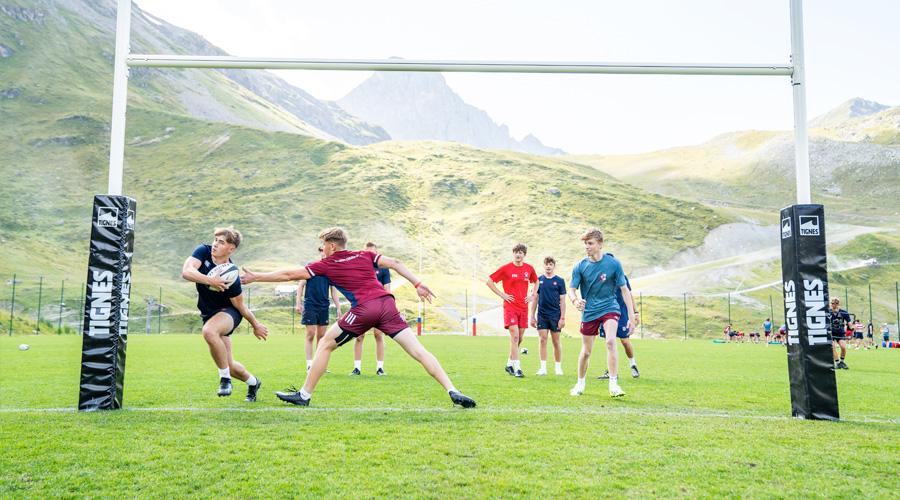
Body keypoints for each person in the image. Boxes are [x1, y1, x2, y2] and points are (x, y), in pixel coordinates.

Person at [241, 227, 475, 408]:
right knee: (419, 351)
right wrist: (418, 283)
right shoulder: (365, 254)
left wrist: (256, 277)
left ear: (332, 246)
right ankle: (452, 390)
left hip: (365, 308)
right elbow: (396, 263)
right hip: (387, 305)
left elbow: (289, 274)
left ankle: (304, 395)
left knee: (324, 345)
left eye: (323, 244)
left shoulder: (327, 263)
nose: (322, 249)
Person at [181, 226, 267, 401]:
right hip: (208, 314)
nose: (215, 245)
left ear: (231, 249)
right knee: (230, 365)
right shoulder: (203, 251)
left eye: (221, 243)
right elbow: (187, 272)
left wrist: (255, 325)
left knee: (209, 332)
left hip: (229, 313)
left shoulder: (231, 275)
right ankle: (253, 383)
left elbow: (241, 306)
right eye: (215, 240)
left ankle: (224, 379)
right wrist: (210, 280)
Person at [567, 228, 634, 398]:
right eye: (585, 244)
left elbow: (625, 290)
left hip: (610, 308)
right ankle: (580, 383)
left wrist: (632, 316)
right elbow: (571, 290)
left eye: (590, 243)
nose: (586, 247)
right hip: (590, 311)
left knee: (611, 341)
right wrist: (576, 301)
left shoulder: (614, 264)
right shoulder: (580, 266)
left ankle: (614, 384)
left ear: (600, 245)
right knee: (586, 351)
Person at [486, 243, 538, 378]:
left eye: (521, 252)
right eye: (516, 252)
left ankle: (509, 364)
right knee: (514, 337)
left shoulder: (529, 269)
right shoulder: (506, 268)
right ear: (513, 253)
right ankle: (518, 368)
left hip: (523, 307)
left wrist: (532, 295)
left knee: (519, 338)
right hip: (510, 306)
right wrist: (502, 295)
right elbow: (489, 281)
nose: (518, 254)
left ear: (524, 255)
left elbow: (536, 282)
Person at [296, 245, 343, 372]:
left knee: (322, 338)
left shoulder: (331, 269)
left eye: (325, 251)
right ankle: (309, 365)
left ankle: (318, 365)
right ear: (320, 252)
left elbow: (333, 291)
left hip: (324, 307)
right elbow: (301, 286)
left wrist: (338, 307)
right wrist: (298, 303)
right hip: (310, 305)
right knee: (310, 334)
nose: (324, 253)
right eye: (321, 251)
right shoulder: (312, 267)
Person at [350, 242, 391, 376]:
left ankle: (380, 368)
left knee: (378, 335)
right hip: (362, 306)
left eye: (372, 252)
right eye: (367, 252)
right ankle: (357, 368)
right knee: (359, 336)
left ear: (376, 253)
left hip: (379, 306)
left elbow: (387, 289)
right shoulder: (359, 267)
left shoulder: (384, 268)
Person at [597, 266, 641, 379]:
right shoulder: (602, 278)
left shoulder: (623, 278)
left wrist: (635, 312)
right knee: (609, 342)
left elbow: (629, 295)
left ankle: (633, 365)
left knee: (625, 341)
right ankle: (611, 372)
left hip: (622, 315)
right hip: (607, 314)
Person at [529, 256, 566, 375]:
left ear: (554, 266)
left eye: (551, 264)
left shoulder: (560, 281)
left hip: (555, 315)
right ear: (543, 266)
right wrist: (532, 316)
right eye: (546, 264)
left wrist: (562, 318)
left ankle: (558, 367)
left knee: (556, 342)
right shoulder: (538, 281)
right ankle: (543, 368)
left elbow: (563, 301)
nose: (548, 266)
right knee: (543, 340)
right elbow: (534, 300)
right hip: (542, 315)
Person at [829, 298, 852, 370]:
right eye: (833, 304)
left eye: (836, 304)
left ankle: (842, 361)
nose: (834, 306)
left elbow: (849, 322)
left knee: (843, 347)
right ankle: (837, 363)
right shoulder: (828, 312)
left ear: (839, 304)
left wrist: (851, 326)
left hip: (840, 332)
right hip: (831, 332)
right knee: (832, 346)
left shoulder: (843, 312)